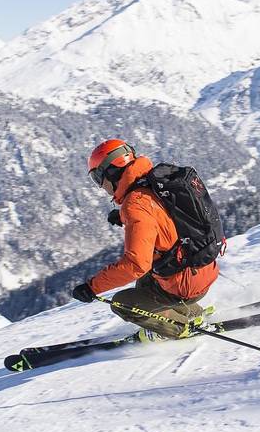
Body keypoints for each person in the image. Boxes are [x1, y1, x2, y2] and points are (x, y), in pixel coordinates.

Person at [70, 139, 219, 341]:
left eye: (98, 178)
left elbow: (135, 264)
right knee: (144, 285)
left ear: (112, 172)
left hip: (186, 284)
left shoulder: (135, 204)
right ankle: (192, 313)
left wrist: (92, 287)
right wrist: (123, 215)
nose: (100, 186)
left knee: (123, 303)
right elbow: (159, 218)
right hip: (201, 268)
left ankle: (179, 328)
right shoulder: (151, 183)